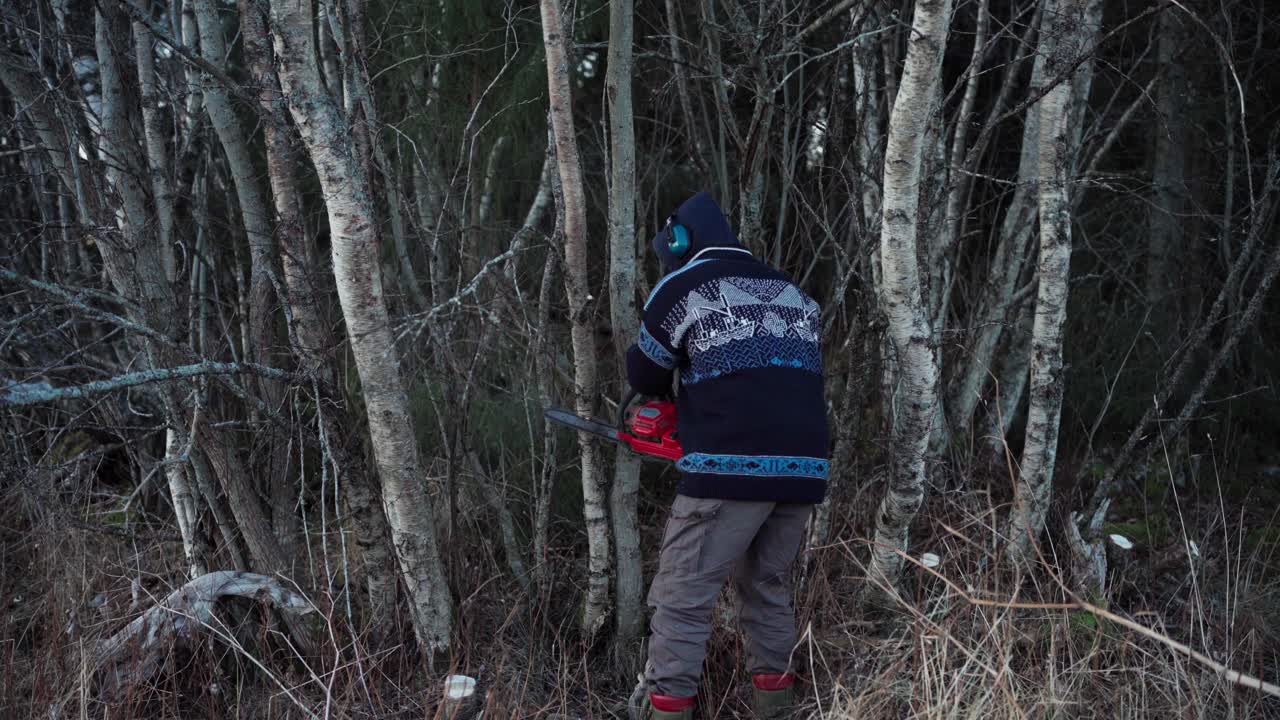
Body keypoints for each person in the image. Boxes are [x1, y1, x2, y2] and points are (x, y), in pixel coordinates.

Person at [625, 192, 829, 719]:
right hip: (805, 470)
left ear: (678, 241)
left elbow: (644, 373)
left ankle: (667, 712)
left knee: (682, 598)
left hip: (729, 468)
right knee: (766, 588)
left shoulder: (683, 286)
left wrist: (668, 407)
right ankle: (776, 709)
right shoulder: (791, 291)